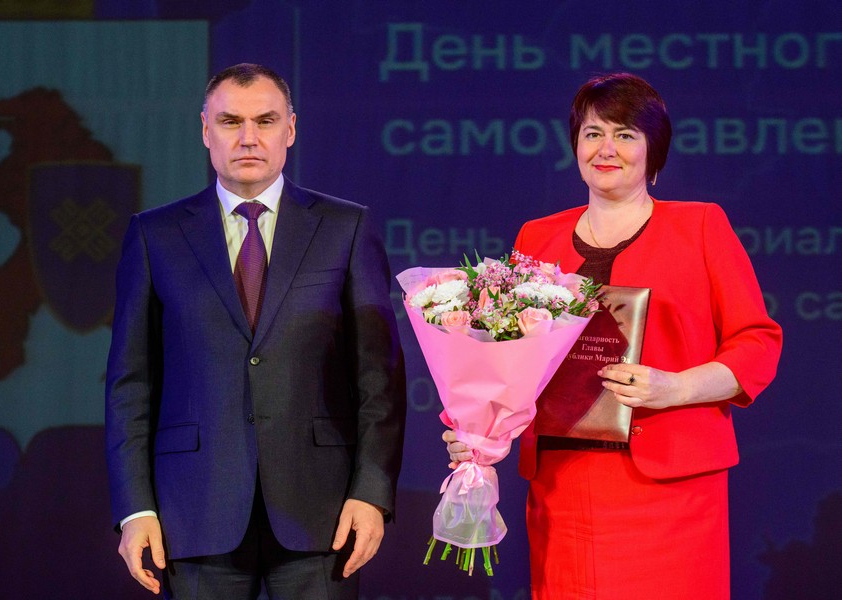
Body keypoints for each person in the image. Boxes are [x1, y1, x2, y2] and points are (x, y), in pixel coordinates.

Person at [445, 72, 782, 599]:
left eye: (625, 134)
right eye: (593, 133)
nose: (606, 148)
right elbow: (510, 358)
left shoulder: (700, 226)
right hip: (563, 483)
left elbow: (757, 342)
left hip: (669, 487)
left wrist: (676, 387)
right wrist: (478, 430)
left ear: (653, 150)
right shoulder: (537, 236)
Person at [106, 63, 407, 599]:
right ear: (205, 130)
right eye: (230, 122)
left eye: (265, 121)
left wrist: (371, 492)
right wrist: (136, 509)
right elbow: (131, 384)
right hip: (192, 513)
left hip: (322, 513)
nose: (248, 138)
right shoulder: (155, 235)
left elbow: (378, 379)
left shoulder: (345, 228)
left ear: (290, 129)